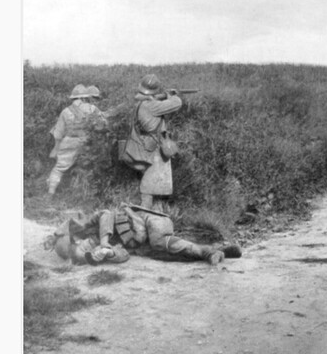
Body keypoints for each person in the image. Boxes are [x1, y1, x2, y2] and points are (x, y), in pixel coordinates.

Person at [46, 203, 242, 267]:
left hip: (148, 221)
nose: (89, 248)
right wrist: (108, 254)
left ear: (78, 239)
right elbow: (124, 255)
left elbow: (107, 214)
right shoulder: (101, 250)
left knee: (159, 243)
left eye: (82, 247)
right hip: (145, 241)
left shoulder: (92, 224)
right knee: (169, 253)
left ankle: (209, 252)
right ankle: (217, 251)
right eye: (84, 254)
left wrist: (104, 242)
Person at [130, 74, 183, 209]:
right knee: (152, 183)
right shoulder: (150, 105)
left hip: (146, 144)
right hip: (154, 148)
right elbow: (177, 104)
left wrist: (162, 96)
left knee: (151, 181)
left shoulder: (141, 103)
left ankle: (151, 211)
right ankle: (149, 212)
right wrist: (172, 95)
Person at [46, 84, 108, 196]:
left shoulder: (66, 111)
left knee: (59, 168)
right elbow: (103, 124)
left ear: (73, 98)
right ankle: (89, 193)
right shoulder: (92, 109)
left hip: (69, 141)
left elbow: (58, 133)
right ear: (85, 97)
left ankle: (51, 192)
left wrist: (56, 148)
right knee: (91, 166)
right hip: (87, 142)